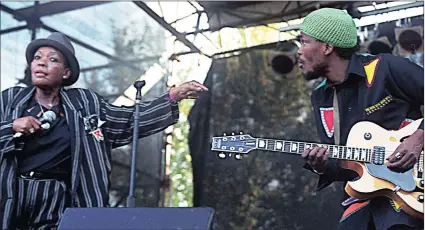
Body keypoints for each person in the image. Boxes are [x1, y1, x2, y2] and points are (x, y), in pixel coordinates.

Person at [0, 32, 208, 230]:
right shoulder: (10, 100)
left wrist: (172, 97)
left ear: (66, 72)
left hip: (56, 200)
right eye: (37, 57)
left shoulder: (86, 104)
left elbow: (129, 121)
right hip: (10, 192)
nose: (42, 62)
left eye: (53, 59)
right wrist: (11, 127)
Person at [297, 8, 424, 230]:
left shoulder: (383, 67)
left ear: (327, 47)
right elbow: (343, 165)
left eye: (304, 42)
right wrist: (323, 166)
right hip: (367, 196)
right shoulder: (321, 95)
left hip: (410, 195)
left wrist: (419, 138)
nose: (298, 51)